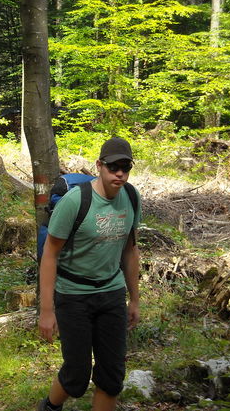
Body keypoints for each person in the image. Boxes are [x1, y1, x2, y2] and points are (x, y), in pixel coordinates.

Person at [38, 137, 141, 411]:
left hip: (112, 293)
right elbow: (50, 255)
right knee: (76, 375)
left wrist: (135, 299)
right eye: (113, 167)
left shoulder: (131, 197)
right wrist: (47, 310)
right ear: (99, 166)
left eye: (125, 167)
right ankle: (49, 407)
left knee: (112, 376)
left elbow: (130, 251)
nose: (119, 173)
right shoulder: (75, 201)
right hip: (73, 295)